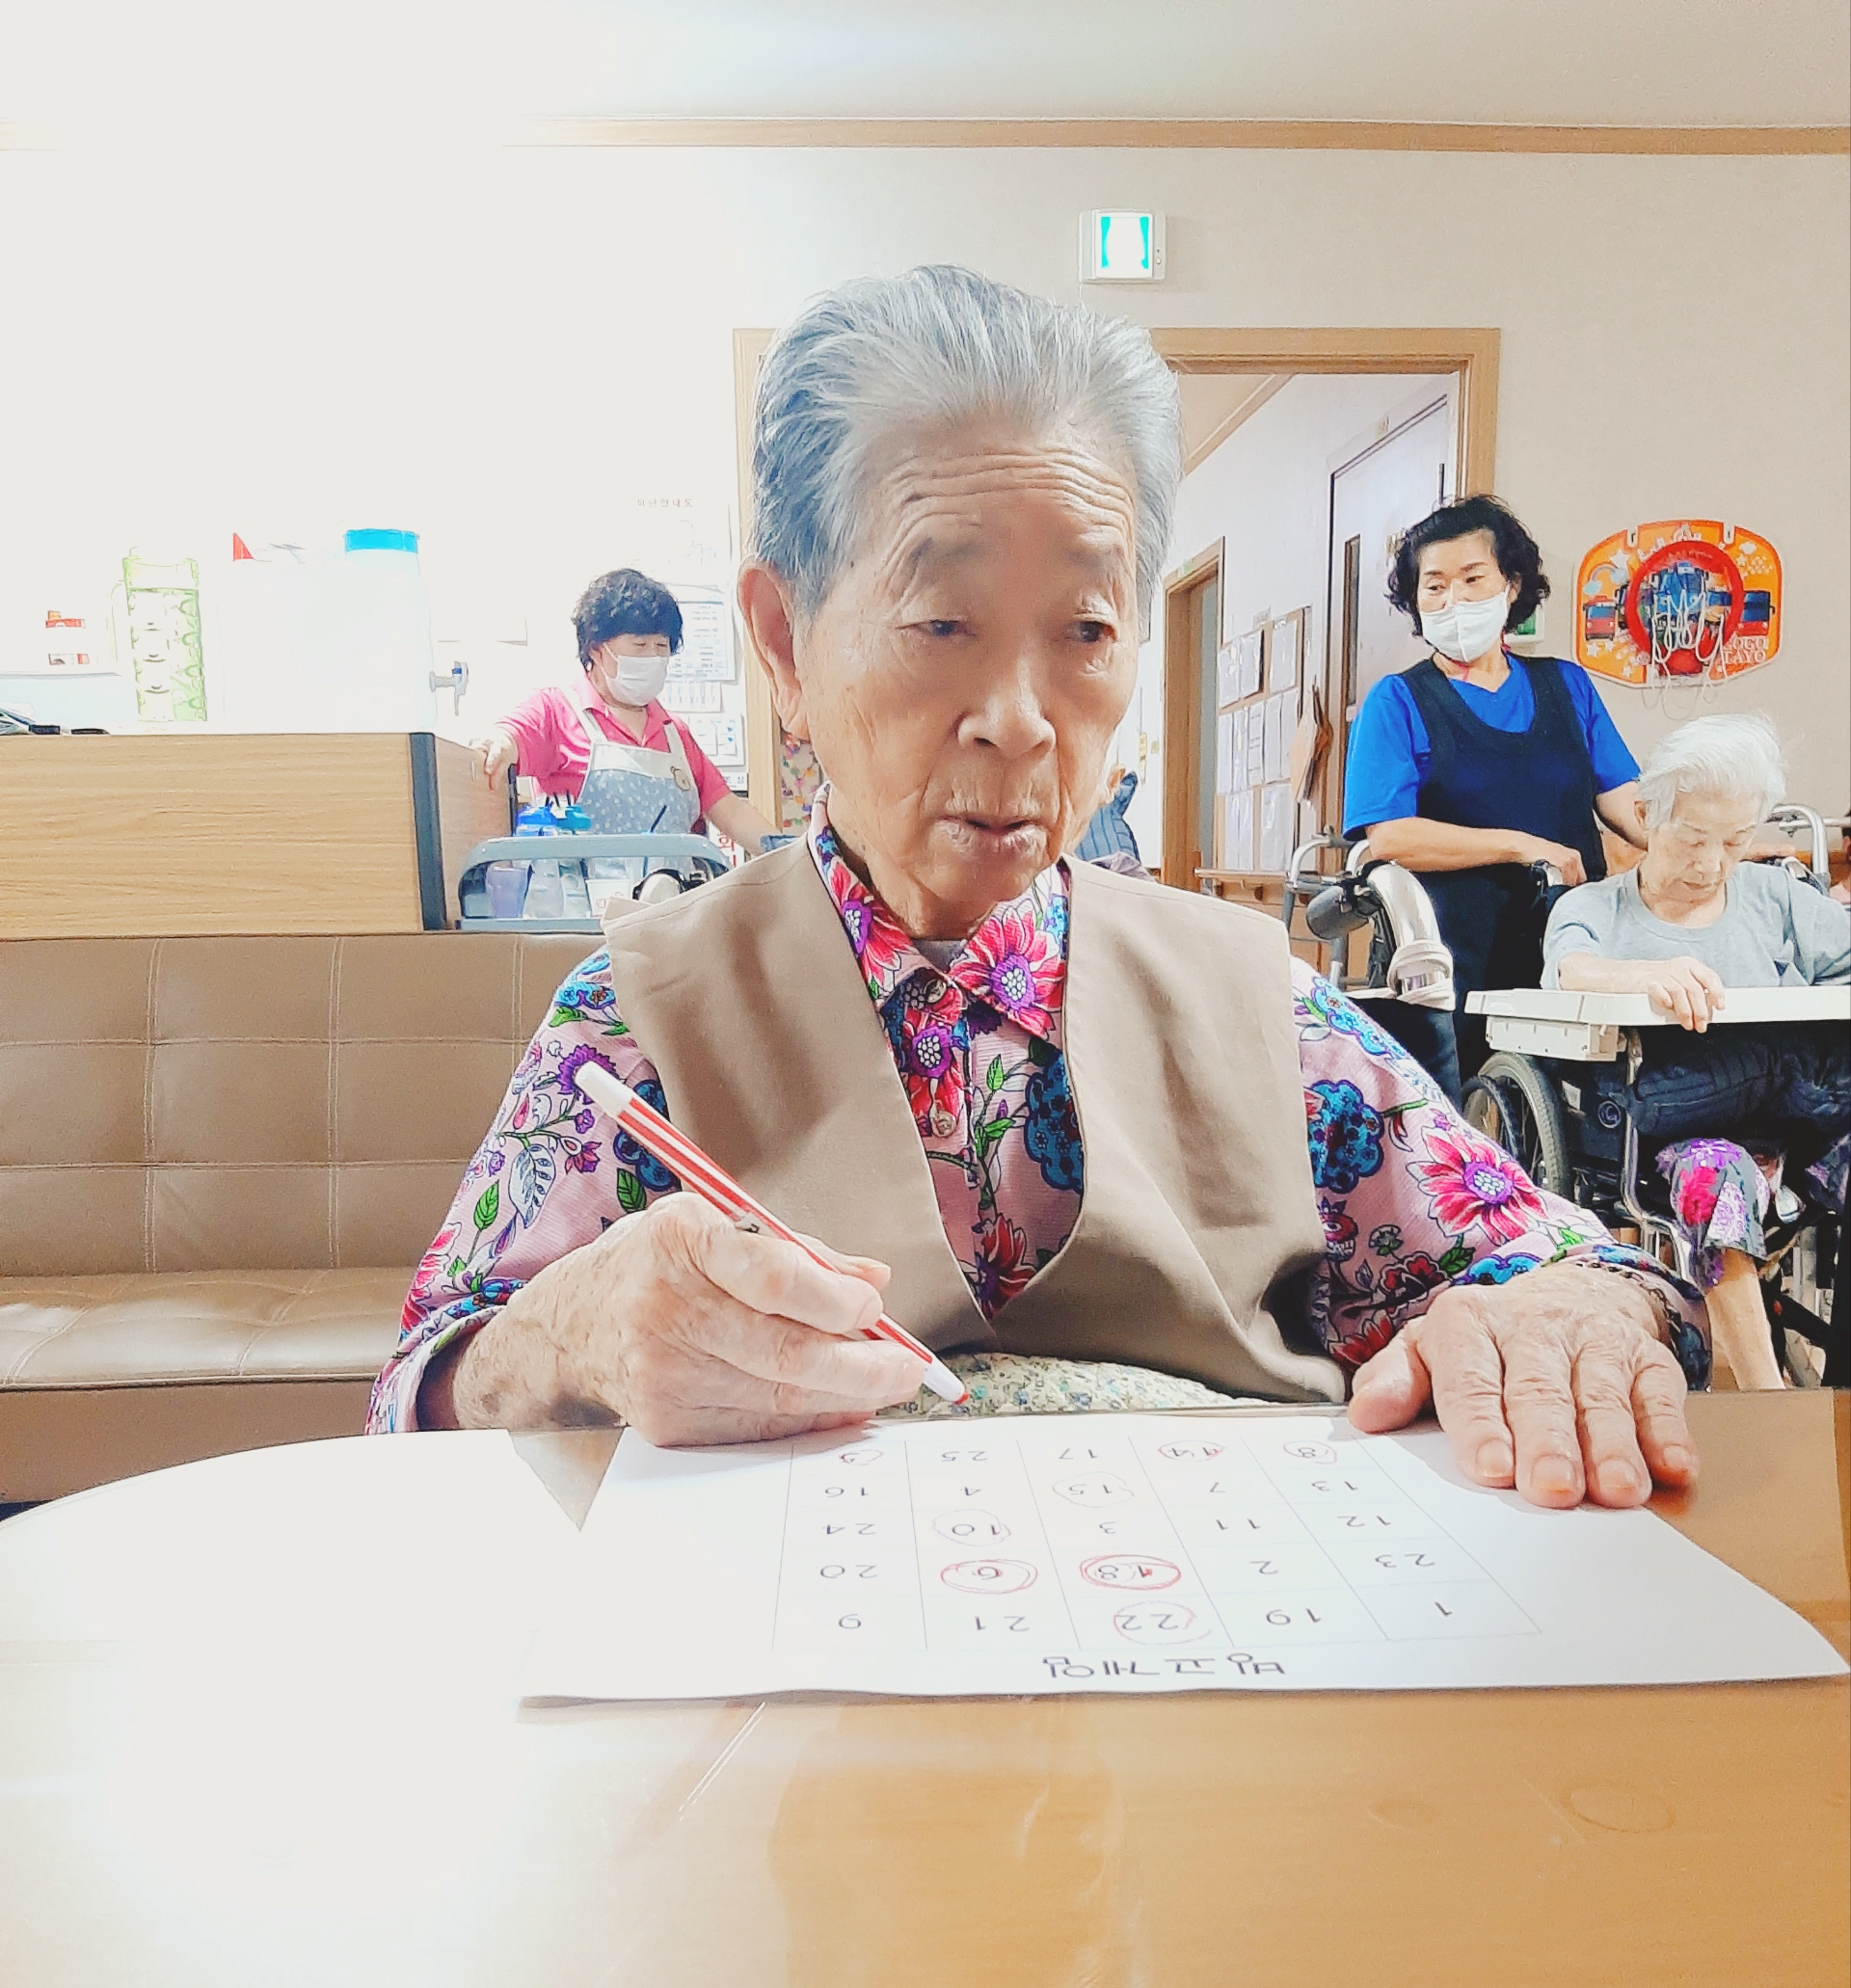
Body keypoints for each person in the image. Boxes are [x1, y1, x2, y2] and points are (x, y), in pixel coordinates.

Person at [371, 266, 1711, 1514]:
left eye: (1084, 629)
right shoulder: (640, 1012)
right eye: (941, 623)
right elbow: (416, 1403)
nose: (1018, 720)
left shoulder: (1257, 1002)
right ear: (783, 643)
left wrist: (1569, 1318)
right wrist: (564, 1336)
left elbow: (1565, 1266)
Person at [1543, 713, 1850, 1389]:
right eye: (1692, 839)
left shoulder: (1776, 899)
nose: (1711, 865)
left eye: (1735, 841)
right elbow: (1571, 967)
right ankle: (1769, 1404)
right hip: (1667, 1118)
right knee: (1721, 1164)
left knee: (1792, 1064)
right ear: (1646, 816)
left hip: (1793, 1118)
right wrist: (1643, 975)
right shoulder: (1595, 908)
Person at [1344, 497, 1647, 1091]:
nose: (1452, 599)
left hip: (1569, 940)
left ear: (1511, 585)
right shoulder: (1398, 701)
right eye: (1434, 586)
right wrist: (1520, 845)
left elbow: (1628, 807)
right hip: (1451, 957)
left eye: (1472, 578)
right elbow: (1391, 837)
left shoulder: (1566, 686)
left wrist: (1717, 845)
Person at [472, 567, 778, 851]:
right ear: (597, 649)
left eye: (662, 647)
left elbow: (731, 811)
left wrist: (785, 851)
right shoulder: (555, 711)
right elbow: (509, 737)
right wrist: (499, 743)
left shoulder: (676, 735)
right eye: (640, 645)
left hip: (673, 891)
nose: (653, 657)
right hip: (582, 891)